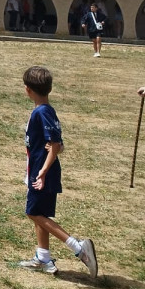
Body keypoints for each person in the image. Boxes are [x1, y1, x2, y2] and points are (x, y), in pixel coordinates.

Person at [16, 66, 98, 277]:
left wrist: (42, 172)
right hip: (40, 168)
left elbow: (54, 145)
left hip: (42, 171)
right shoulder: (47, 110)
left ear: (28, 90)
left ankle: (79, 248)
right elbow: (58, 144)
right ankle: (43, 258)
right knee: (39, 214)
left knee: (33, 213)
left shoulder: (41, 112)